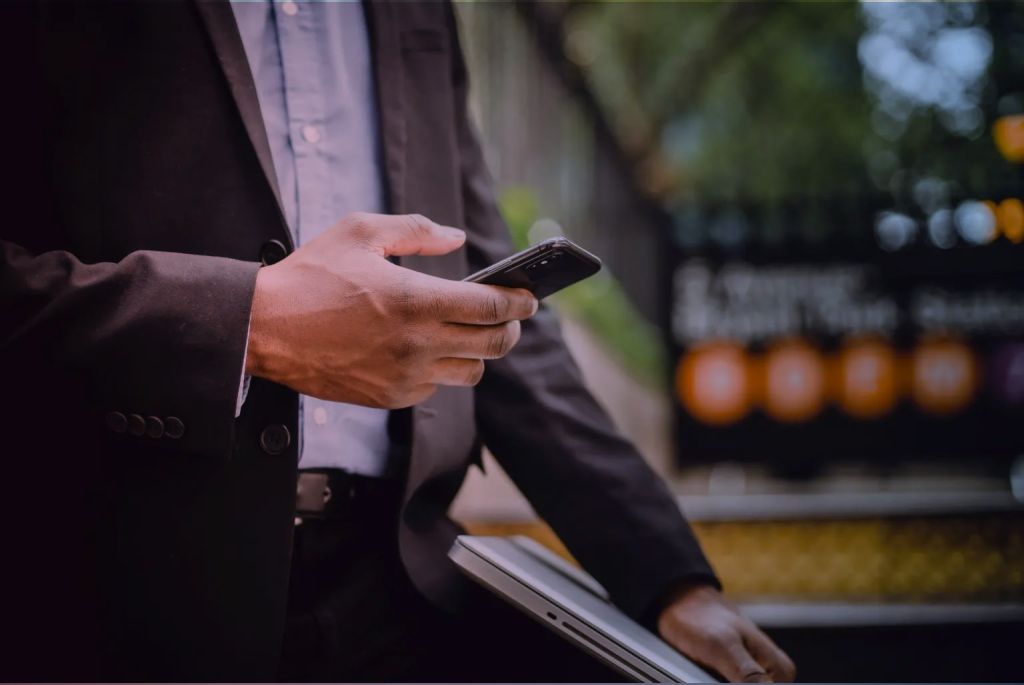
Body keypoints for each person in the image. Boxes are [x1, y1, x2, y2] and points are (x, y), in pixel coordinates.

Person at [0, 1, 795, 682]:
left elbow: (496, 308)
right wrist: (250, 323)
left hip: (400, 595)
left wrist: (666, 579)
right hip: (105, 597)